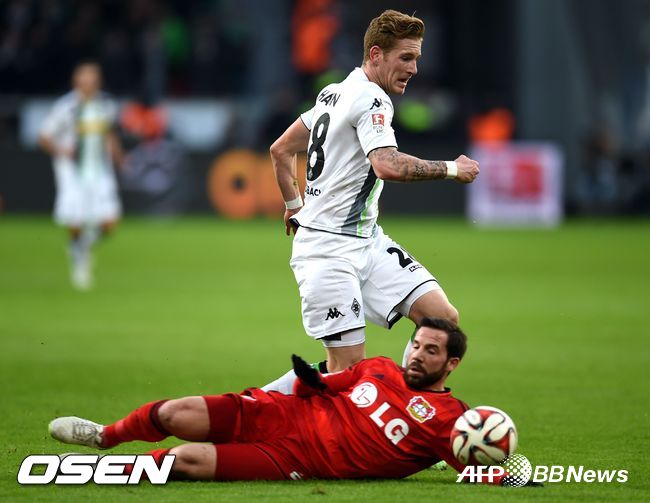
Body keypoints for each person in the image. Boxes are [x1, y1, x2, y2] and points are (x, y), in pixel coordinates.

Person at [266, 10, 480, 392]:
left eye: (417, 58)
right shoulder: (372, 99)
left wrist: (294, 205)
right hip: (328, 251)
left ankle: (408, 409)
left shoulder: (335, 91)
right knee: (346, 374)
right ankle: (261, 403)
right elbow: (386, 164)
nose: (414, 68)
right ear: (376, 54)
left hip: (367, 241)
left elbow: (280, 149)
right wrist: (452, 168)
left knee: (441, 320)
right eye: (406, 57)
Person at [49, 318, 473, 481]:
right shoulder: (378, 367)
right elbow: (321, 388)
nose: (417, 355)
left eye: (431, 351)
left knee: (184, 460)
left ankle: (103, 471)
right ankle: (105, 437)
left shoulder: (451, 420)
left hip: (295, 459)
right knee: (175, 412)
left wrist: (506, 471)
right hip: (279, 414)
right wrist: (310, 380)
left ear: (451, 364)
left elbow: (478, 471)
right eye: (416, 345)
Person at [38, 61, 124, 290]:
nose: (88, 84)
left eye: (92, 80)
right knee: (75, 219)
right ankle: (79, 258)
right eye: (84, 80)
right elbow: (44, 137)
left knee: (110, 222)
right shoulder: (65, 107)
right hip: (72, 173)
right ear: (76, 82)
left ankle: (81, 246)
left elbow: (109, 133)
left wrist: (119, 157)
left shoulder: (106, 105)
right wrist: (61, 151)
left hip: (100, 170)